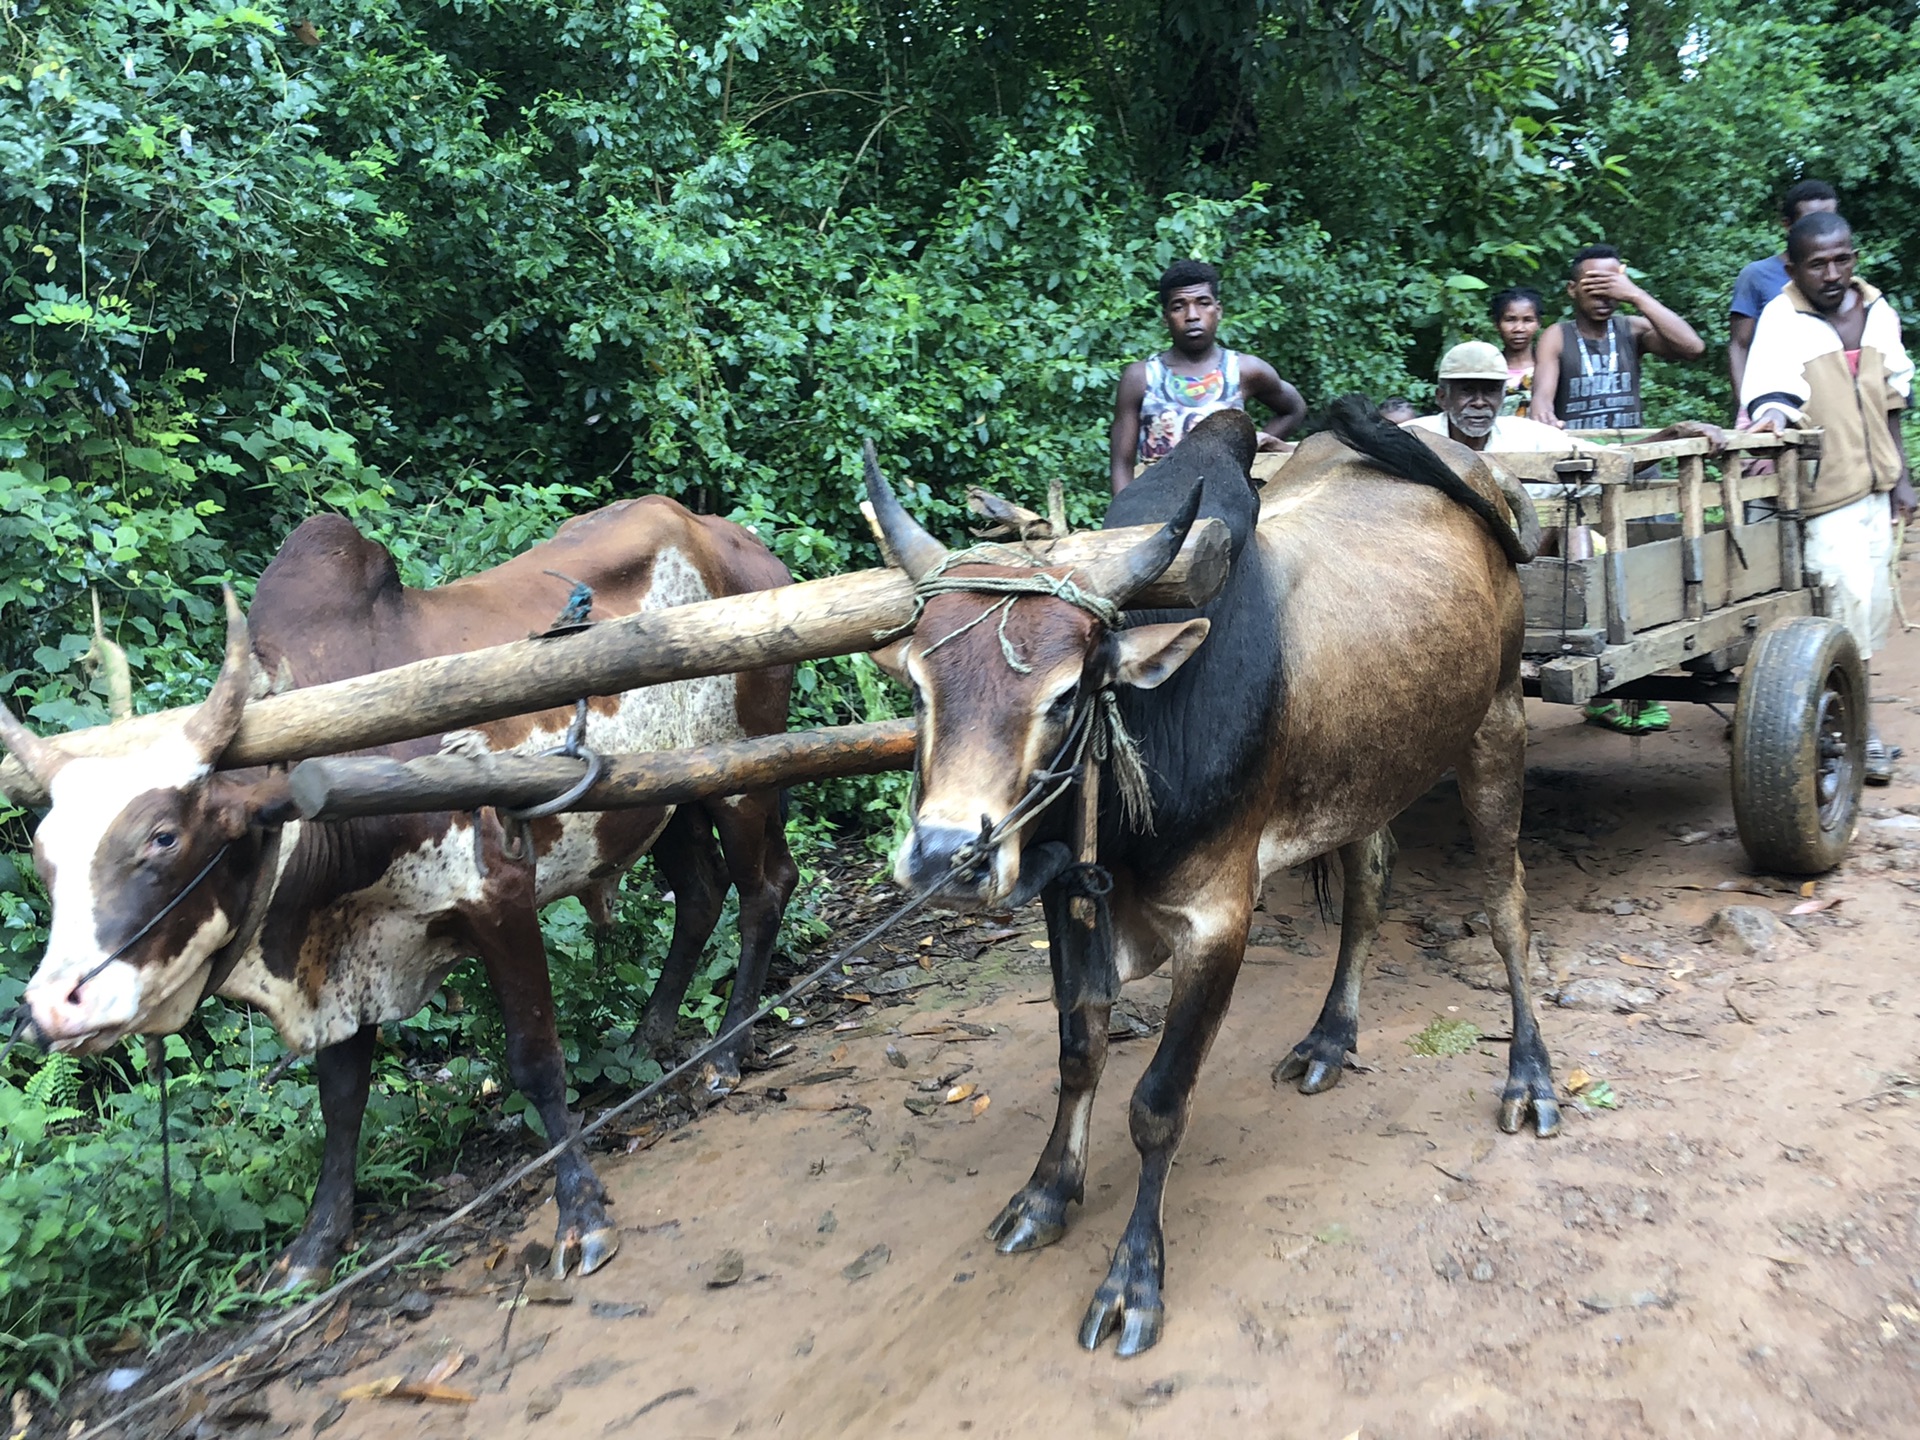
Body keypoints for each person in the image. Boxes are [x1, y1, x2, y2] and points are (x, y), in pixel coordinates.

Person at [1407, 341, 1722, 736]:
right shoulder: (1413, 439)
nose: (1479, 401)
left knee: (1569, 514)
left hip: (1522, 575)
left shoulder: (1527, 435)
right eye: (1466, 389)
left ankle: (1574, 631)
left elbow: (1608, 461)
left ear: (1504, 395)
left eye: (1489, 390)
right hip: (1438, 577)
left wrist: (1673, 433)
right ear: (1442, 395)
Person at [1743, 210, 1915, 783]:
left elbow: (1893, 402)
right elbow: (1773, 396)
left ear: (1854, 258)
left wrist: (1903, 481)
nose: (1833, 272)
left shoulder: (1877, 312)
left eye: (1842, 258)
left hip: (1874, 489)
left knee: (1869, 613)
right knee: (1836, 609)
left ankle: (1858, 728)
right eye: (1818, 264)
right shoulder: (1782, 319)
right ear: (1793, 267)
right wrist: (1767, 418)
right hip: (1826, 496)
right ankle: (1836, 734)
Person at [1109, 260, 1306, 494]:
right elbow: (1121, 464)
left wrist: (1255, 444)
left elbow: (1294, 409)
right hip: (1156, 504)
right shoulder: (1141, 377)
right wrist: (1126, 520)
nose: (1192, 315)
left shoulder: (1243, 370)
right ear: (1165, 318)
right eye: (1179, 306)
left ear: (1218, 310)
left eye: (1203, 303)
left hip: (1227, 502)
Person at [1532, 245, 1706, 432]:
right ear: (1572, 289)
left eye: (1610, 289)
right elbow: (1542, 397)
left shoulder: (1632, 329)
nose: (1603, 298)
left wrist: (1636, 295)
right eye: (1594, 289)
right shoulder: (1557, 335)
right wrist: (1544, 415)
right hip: (1579, 450)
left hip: (1632, 449)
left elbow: (1693, 348)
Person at [1729, 179, 1840, 403]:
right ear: (1788, 225)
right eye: (1810, 220)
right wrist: (1747, 409)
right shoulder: (1757, 276)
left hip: (1831, 399)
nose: (1820, 227)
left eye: (1829, 218)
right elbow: (1739, 346)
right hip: (1774, 402)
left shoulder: (1839, 278)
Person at [1489, 286, 1544, 417]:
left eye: (1528, 320)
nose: (1519, 328)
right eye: (1510, 320)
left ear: (1539, 323)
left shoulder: (1549, 370)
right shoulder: (1487, 370)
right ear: (1496, 324)